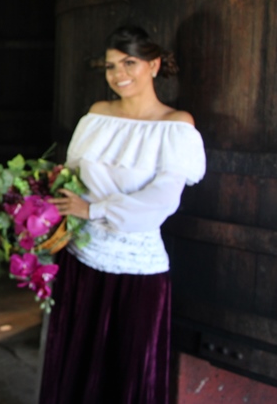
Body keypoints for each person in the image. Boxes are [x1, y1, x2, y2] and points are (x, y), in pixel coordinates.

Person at [40, 25, 206, 404]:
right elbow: (72, 176)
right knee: (76, 369)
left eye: (129, 62)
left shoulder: (176, 126)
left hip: (137, 272)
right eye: (111, 66)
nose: (118, 75)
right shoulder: (97, 115)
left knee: (126, 377)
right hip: (81, 259)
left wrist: (93, 208)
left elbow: (162, 200)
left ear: (154, 64)